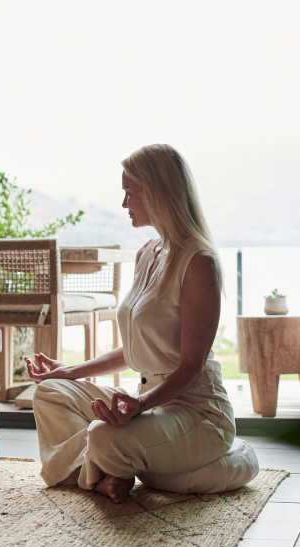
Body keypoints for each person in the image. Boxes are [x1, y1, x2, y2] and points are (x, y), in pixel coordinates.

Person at [25, 143, 235, 504]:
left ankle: (91, 475)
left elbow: (191, 365)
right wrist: (69, 372)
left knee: (104, 434)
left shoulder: (199, 262)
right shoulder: (148, 253)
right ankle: (102, 475)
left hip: (196, 412)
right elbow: (136, 349)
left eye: (129, 191)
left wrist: (140, 406)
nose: (124, 203)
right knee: (49, 393)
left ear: (157, 191)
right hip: (147, 401)